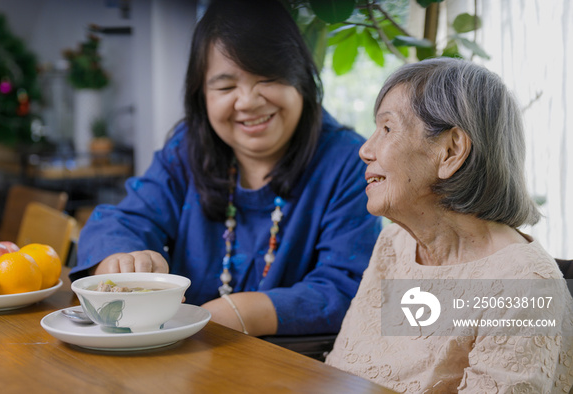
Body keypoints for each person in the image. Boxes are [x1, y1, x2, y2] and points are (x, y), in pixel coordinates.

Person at [71, 0, 382, 337]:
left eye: (268, 77)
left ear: (302, 80)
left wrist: (242, 312)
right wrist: (121, 259)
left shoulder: (350, 161)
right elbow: (124, 220)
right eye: (225, 86)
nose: (248, 101)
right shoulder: (187, 148)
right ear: (200, 95)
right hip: (186, 355)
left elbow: (346, 286)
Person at [325, 57, 573, 392]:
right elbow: (344, 369)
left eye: (387, 128)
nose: (365, 150)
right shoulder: (396, 243)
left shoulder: (524, 285)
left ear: (451, 151)